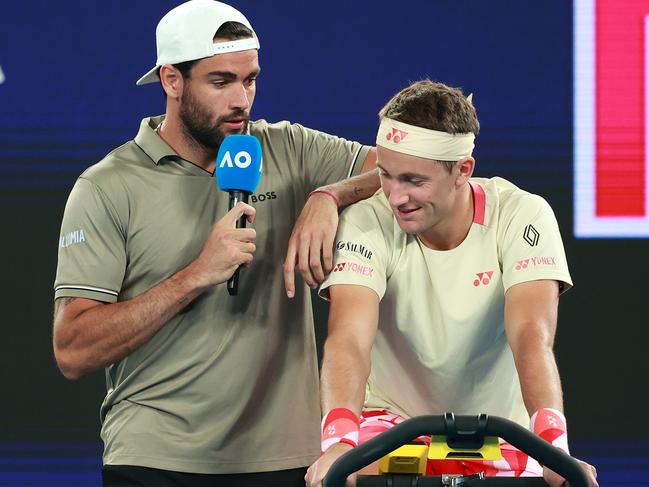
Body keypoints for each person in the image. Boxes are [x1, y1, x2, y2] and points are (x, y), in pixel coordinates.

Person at [52, 1, 379, 485]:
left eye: (250, 79)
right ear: (171, 81)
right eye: (221, 81)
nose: (242, 100)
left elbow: (403, 168)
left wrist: (330, 194)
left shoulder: (288, 148)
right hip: (154, 460)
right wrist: (195, 275)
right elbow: (73, 350)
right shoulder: (106, 187)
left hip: (284, 460)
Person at [306, 80, 598, 487]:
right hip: (390, 418)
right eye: (385, 175)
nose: (395, 196)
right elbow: (347, 337)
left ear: (463, 170)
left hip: (500, 427)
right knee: (349, 474)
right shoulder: (366, 218)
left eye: (414, 180)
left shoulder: (523, 214)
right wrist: (337, 442)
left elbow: (532, 335)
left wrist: (554, 446)